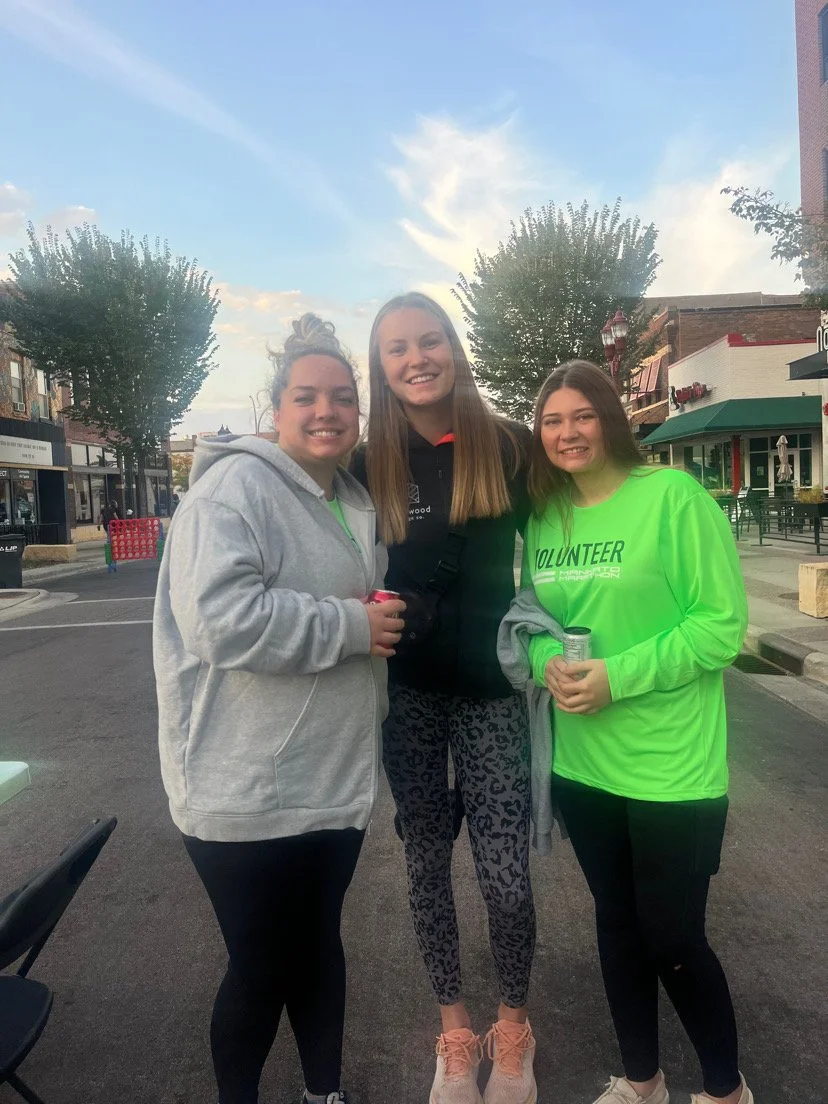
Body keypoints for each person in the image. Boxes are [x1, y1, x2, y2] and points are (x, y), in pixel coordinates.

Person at [153, 313, 405, 1104]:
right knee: (262, 966)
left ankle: (323, 1093)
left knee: (319, 950)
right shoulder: (232, 489)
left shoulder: (353, 498)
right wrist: (352, 625)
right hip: (242, 788)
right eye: (307, 397)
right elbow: (219, 620)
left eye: (342, 398)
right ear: (276, 409)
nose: (326, 411)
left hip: (331, 780)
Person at [517, 360, 753, 1104]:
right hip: (584, 765)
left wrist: (618, 675)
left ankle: (724, 1090)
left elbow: (720, 626)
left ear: (611, 419)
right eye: (552, 421)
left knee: (674, 939)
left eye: (581, 415)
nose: (566, 432)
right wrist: (549, 659)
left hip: (671, 766)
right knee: (616, 928)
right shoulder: (545, 515)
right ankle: (641, 1080)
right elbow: (527, 618)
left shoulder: (672, 498)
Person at [352, 291, 538, 1104]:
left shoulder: (509, 448)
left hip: (494, 695)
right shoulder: (366, 463)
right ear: (380, 365)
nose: (416, 358)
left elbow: (575, 531)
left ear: (454, 350)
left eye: (429, 342)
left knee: (506, 878)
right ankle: (455, 1032)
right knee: (426, 863)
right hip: (411, 701)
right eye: (397, 348)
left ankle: (515, 1028)